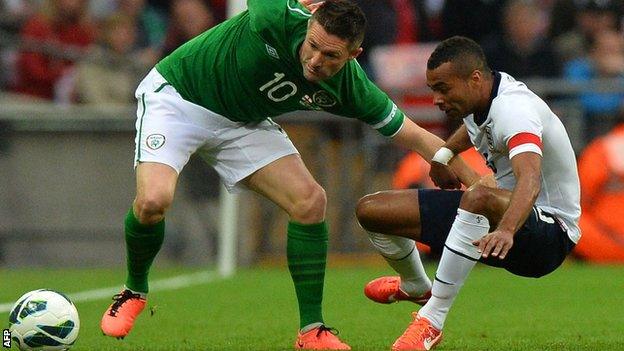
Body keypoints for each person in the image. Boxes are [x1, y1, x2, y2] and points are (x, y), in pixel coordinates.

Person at [98, 1, 478, 350]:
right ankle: (134, 291)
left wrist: (480, 184)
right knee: (153, 202)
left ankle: (311, 330)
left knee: (311, 202)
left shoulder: (351, 86)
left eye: (330, 55)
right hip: (180, 98)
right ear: (309, 24)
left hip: (240, 123)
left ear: (353, 56)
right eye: (313, 45)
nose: (315, 61)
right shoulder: (275, 16)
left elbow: (416, 135)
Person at [356, 36, 581, 350]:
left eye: (443, 88)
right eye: (433, 88)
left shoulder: (515, 110)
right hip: (495, 220)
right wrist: (443, 156)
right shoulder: (483, 100)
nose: (436, 98)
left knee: (478, 196)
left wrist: (505, 229)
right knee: (372, 210)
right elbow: (475, 128)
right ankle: (416, 284)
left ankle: (431, 321)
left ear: (475, 79)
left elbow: (530, 180)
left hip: (548, 235)